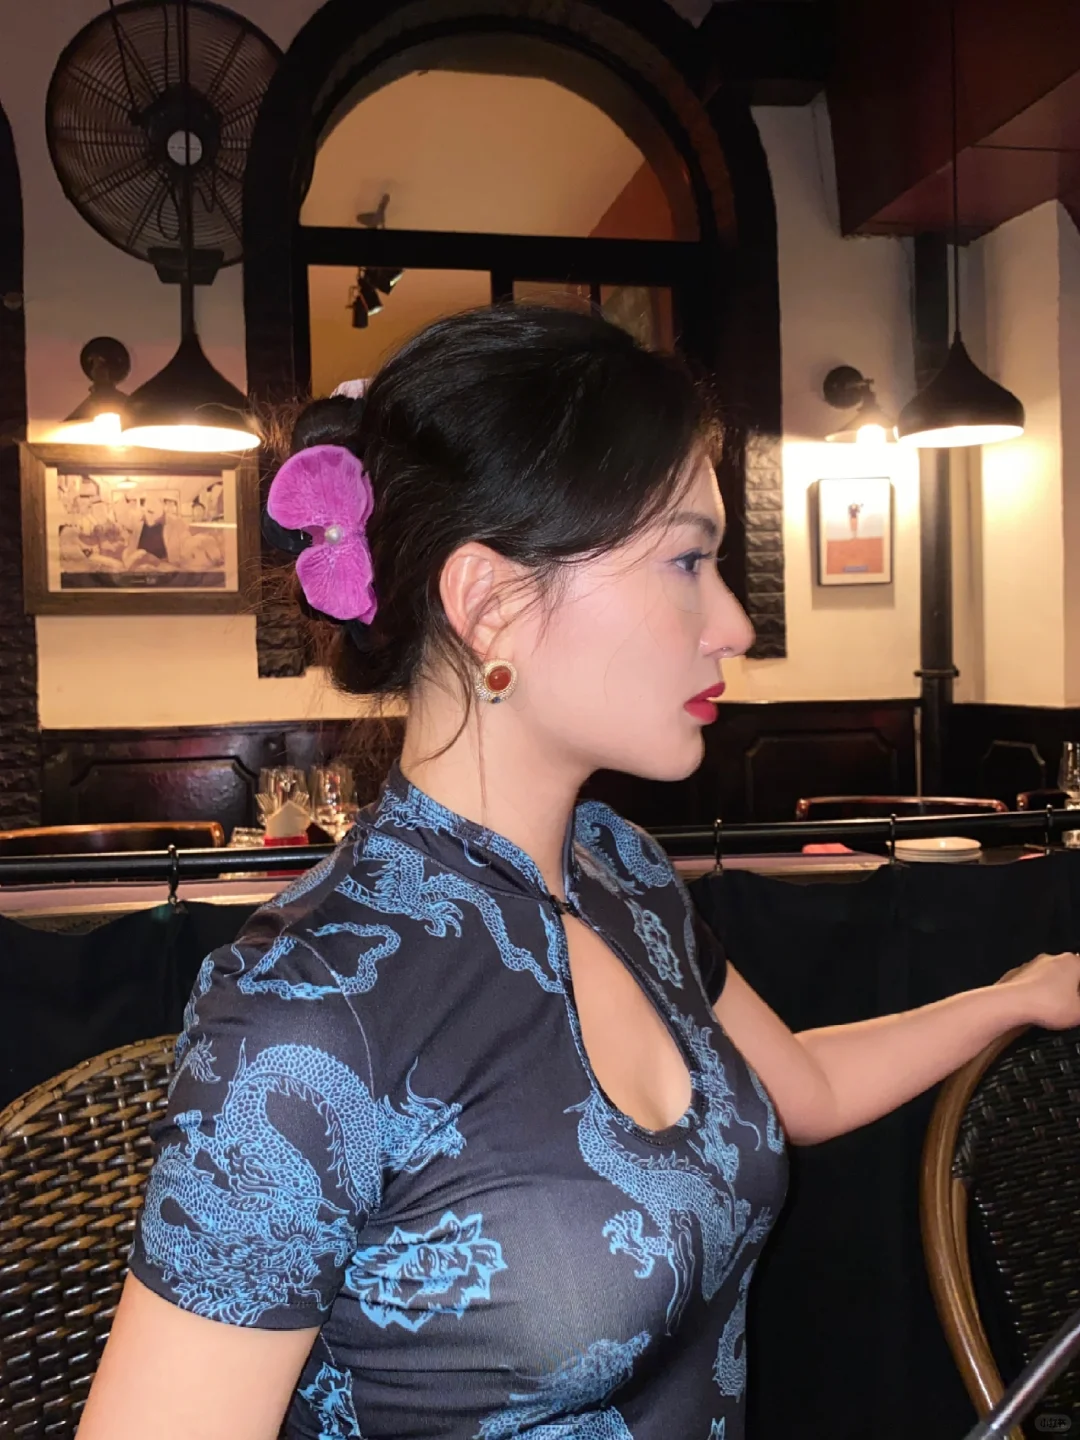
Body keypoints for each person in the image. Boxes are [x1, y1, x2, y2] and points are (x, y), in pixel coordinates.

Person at [79, 306, 1080, 1440]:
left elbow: (799, 1088)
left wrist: (1016, 997)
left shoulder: (622, 873)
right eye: (688, 561)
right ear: (489, 603)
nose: (734, 625)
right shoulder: (308, 1013)